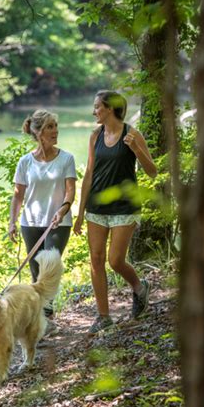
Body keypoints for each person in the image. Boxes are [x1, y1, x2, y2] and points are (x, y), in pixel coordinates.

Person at [74, 90, 157, 334]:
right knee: (96, 260)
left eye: (97, 107)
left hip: (124, 207)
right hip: (96, 207)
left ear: (109, 108)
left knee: (115, 260)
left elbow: (152, 172)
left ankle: (140, 289)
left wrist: (136, 149)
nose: (94, 112)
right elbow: (89, 174)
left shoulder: (132, 133)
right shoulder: (95, 136)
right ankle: (104, 316)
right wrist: (80, 212)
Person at [9, 109, 76, 327]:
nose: (55, 130)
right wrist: (12, 222)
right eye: (49, 127)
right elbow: (18, 195)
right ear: (38, 133)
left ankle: (46, 319)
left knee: (49, 269)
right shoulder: (25, 162)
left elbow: (70, 190)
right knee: (36, 274)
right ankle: (41, 323)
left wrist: (63, 209)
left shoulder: (66, 158)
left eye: (55, 126)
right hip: (30, 222)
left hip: (59, 221)